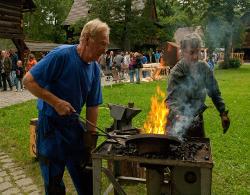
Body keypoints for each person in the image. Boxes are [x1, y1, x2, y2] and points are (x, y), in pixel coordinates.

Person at [23, 18, 110, 195]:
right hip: (51, 127)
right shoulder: (61, 55)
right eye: (102, 43)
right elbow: (28, 81)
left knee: (87, 178)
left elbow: (93, 105)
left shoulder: (93, 68)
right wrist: (56, 102)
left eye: (106, 45)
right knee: (54, 183)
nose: (105, 49)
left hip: (73, 127)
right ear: (86, 39)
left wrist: (90, 137)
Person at [166, 33, 230, 138]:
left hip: (196, 119)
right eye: (191, 53)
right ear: (183, 53)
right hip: (177, 122)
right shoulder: (176, 72)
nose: (195, 56)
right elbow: (171, 100)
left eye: (198, 51)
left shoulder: (204, 68)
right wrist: (179, 117)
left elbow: (214, 92)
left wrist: (223, 112)